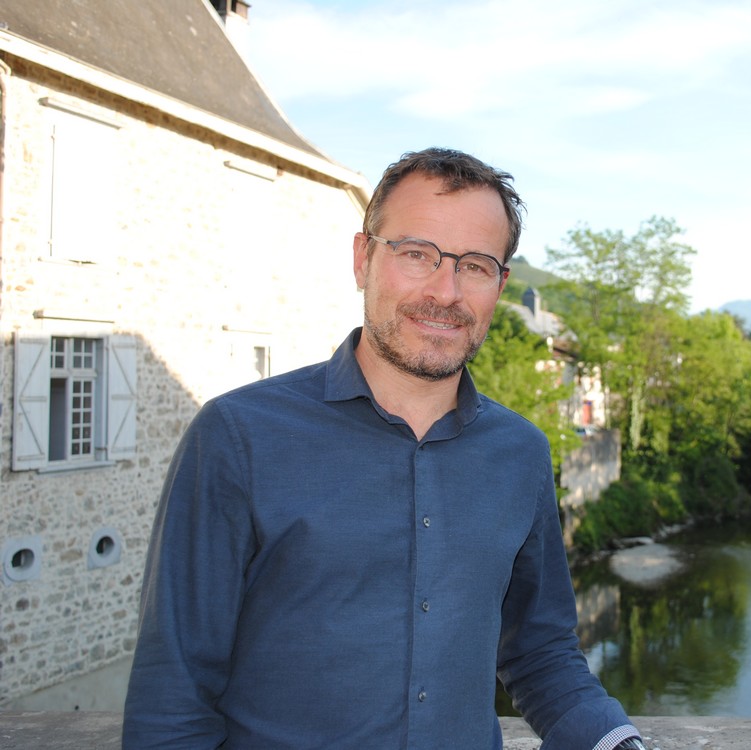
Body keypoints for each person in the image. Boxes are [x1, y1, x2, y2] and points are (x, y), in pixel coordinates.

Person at [123, 148, 648, 750]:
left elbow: (541, 652)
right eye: (417, 253)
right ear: (363, 258)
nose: (446, 291)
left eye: (476, 266)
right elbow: (173, 699)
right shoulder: (237, 436)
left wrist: (617, 742)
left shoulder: (520, 453)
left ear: (500, 285)